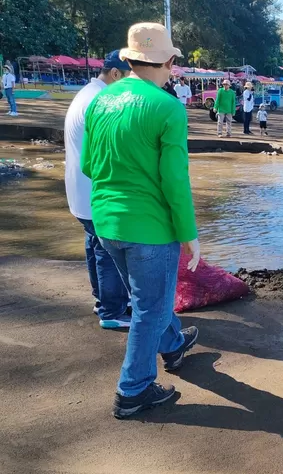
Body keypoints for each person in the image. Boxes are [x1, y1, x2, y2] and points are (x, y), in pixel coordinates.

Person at [81, 22, 200, 418]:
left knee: (145, 301)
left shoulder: (101, 100)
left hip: (105, 221)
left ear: (129, 59)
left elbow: (88, 166)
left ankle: (173, 344)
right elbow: (175, 181)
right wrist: (190, 235)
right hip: (149, 228)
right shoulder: (168, 106)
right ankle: (133, 390)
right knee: (149, 308)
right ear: (168, 61)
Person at [64, 50, 132, 329]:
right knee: (107, 250)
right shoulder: (100, 100)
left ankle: (103, 299)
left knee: (94, 246)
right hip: (94, 191)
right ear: (115, 74)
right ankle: (113, 310)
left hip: (80, 191)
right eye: (130, 78)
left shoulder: (88, 92)